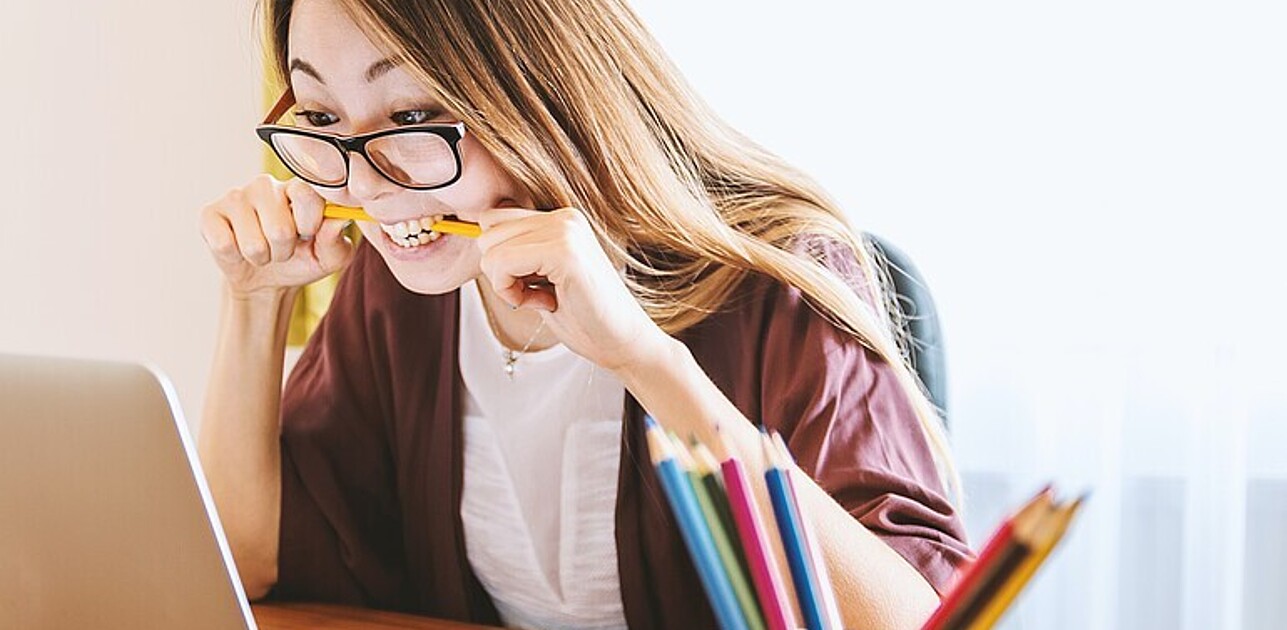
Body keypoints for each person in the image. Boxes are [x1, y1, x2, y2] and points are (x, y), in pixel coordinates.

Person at [197, 0, 972, 628]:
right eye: (326, 119)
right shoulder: (401, 286)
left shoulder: (777, 279)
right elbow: (247, 561)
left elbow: (912, 620)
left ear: (541, 90)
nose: (366, 186)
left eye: (409, 116)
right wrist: (254, 301)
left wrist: (646, 360)